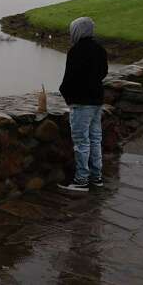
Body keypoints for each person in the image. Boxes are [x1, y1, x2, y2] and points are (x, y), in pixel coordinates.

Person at [57, 17, 109, 192]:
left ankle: (81, 180)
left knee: (81, 142)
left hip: (81, 102)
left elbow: (69, 78)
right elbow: (103, 73)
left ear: (78, 30)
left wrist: (65, 93)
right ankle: (97, 177)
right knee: (95, 139)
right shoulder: (100, 49)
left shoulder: (76, 51)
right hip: (97, 101)